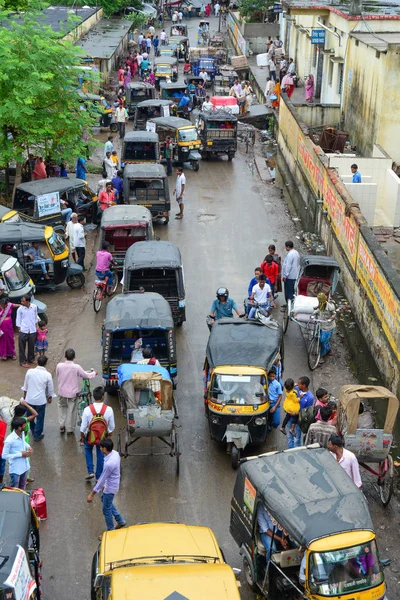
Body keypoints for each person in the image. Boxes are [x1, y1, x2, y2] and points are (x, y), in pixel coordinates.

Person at [87, 438, 126, 536]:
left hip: (110, 488)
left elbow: (101, 479)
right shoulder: (115, 454)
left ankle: (110, 532)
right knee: (104, 500)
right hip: (111, 484)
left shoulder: (109, 464)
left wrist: (92, 494)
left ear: (105, 449)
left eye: (101, 447)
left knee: (106, 509)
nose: (100, 449)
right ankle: (120, 520)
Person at [57, 348, 97, 434]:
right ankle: (70, 428)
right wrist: (94, 373)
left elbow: (58, 374)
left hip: (61, 392)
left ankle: (61, 425)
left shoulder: (59, 366)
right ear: (74, 357)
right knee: (72, 410)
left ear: (65, 356)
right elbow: (85, 375)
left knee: (61, 407)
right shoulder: (76, 367)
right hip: (72, 393)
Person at [80, 387, 115, 482]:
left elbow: (83, 427)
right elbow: (112, 426)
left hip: (90, 436)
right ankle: (98, 476)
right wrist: (109, 433)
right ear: (103, 397)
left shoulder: (87, 409)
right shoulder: (108, 409)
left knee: (88, 450)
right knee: (100, 454)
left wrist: (82, 436)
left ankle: (90, 471)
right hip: (103, 437)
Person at [21, 355, 56, 441]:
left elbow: (26, 385)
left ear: (37, 361)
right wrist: (50, 397)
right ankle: (37, 434)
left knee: (30, 417)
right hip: (40, 401)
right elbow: (50, 388)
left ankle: (33, 430)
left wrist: (25, 396)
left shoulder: (29, 371)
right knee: (40, 418)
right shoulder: (47, 375)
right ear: (45, 363)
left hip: (30, 400)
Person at [2, 417, 33, 489]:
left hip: (25, 466)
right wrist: (20, 454)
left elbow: (23, 442)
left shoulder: (22, 433)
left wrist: (28, 446)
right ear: (19, 427)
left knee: (23, 486)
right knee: (15, 488)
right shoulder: (9, 440)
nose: (25, 427)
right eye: (24, 425)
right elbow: (4, 455)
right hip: (16, 469)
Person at [16, 296, 38, 368]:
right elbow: (18, 319)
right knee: (22, 347)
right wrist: (20, 328)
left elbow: (35, 317)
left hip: (32, 330)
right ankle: (23, 361)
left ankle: (31, 359)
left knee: (31, 346)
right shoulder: (20, 309)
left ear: (28, 301)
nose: (21, 302)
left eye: (23, 301)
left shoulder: (34, 307)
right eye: (21, 301)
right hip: (24, 330)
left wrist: (34, 326)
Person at [313, 293, 336, 361]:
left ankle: (322, 355)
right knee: (320, 338)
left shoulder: (330, 307)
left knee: (323, 340)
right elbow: (319, 310)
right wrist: (313, 313)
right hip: (321, 324)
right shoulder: (320, 305)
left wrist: (331, 318)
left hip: (328, 327)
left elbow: (334, 314)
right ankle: (328, 349)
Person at [0, 295, 18, 361]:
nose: (1, 306)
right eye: (1, 304)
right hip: (1, 326)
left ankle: (12, 354)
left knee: (10, 338)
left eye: (3, 305)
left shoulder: (9, 305)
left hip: (9, 325)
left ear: (6, 304)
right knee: (3, 339)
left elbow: (17, 305)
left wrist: (25, 305)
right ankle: (4, 355)